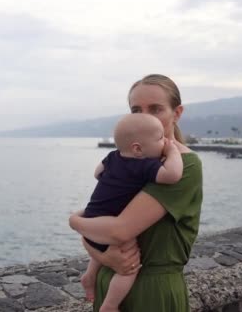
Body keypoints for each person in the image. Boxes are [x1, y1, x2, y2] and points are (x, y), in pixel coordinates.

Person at [69, 74, 203, 312]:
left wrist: (75, 221)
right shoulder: (130, 160)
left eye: (155, 109)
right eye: (136, 110)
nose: (145, 117)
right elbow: (100, 224)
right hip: (110, 282)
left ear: (177, 113)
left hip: (150, 292)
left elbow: (119, 231)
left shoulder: (185, 167)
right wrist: (103, 255)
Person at [79, 113, 183, 312]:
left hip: (92, 221)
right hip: (110, 228)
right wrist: (173, 152)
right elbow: (173, 175)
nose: (165, 142)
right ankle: (110, 305)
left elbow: (97, 173)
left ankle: (89, 276)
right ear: (138, 149)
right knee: (129, 270)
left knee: (101, 248)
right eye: (160, 139)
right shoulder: (143, 165)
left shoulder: (112, 157)